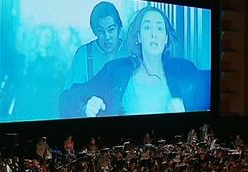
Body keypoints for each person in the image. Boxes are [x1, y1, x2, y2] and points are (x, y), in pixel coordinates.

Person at [59, 6, 210, 118]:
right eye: (147, 27)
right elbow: (68, 99)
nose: (153, 34)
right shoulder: (116, 70)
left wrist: (186, 110)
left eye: (159, 28)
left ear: (166, 38)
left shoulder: (184, 70)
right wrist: (86, 106)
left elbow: (209, 94)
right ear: (138, 37)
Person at [67, 1, 128, 88]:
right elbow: (69, 96)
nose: (107, 37)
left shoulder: (131, 50)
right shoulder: (84, 54)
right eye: (101, 31)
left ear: (119, 28)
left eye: (111, 29)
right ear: (95, 31)